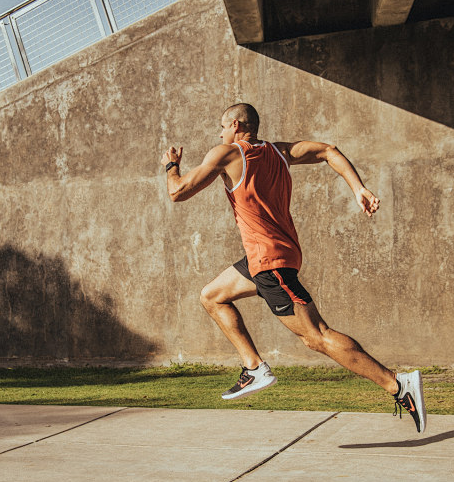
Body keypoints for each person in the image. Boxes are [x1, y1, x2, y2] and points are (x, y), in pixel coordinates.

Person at [160, 103, 426, 433]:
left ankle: (398, 385)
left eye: (223, 126)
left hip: (269, 263)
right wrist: (358, 188)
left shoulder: (226, 153)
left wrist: (171, 165)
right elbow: (329, 151)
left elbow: (177, 191)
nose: (219, 133)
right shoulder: (279, 152)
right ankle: (254, 366)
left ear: (238, 125)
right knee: (212, 296)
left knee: (317, 337)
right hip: (271, 256)